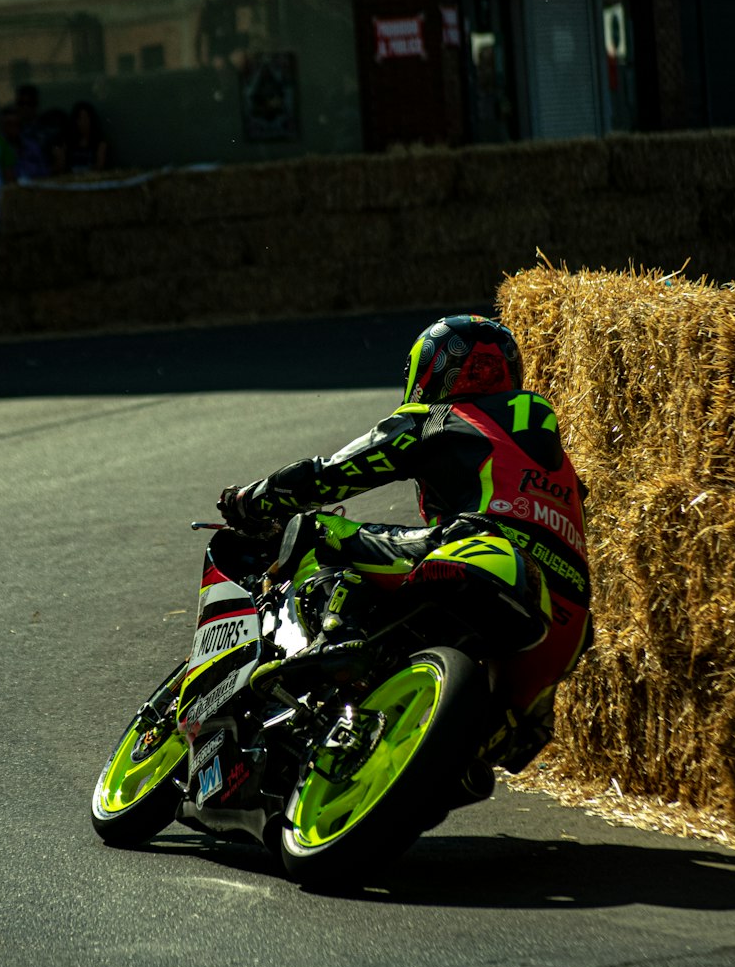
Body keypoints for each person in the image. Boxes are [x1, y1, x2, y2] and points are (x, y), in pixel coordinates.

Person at [218, 314, 592, 804]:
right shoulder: (553, 454)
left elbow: (331, 475)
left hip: (480, 547)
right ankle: (481, 739)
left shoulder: (438, 418)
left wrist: (254, 500)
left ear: (432, 371)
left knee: (318, 529)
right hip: (568, 613)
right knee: (514, 734)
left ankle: (339, 639)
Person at [51, 100, 109, 174]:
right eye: (79, 118)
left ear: (92, 120)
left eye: (86, 118)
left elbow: (100, 167)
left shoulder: (100, 143)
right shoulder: (66, 141)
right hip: (69, 181)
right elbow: (59, 167)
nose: (83, 122)